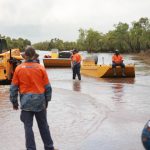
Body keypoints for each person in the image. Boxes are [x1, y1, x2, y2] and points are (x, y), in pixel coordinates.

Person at [10, 46, 55, 150]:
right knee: (43, 126)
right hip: (40, 102)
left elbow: (13, 88)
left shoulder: (18, 69)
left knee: (28, 127)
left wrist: (14, 102)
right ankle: (49, 147)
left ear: (25, 56)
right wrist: (47, 100)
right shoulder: (40, 68)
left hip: (26, 103)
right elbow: (48, 87)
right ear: (34, 56)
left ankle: (31, 148)